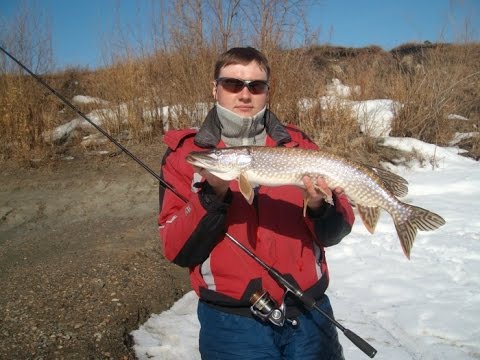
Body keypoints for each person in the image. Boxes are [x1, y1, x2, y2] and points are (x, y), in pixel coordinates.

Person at [158, 47, 355, 359]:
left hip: (309, 313)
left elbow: (334, 232)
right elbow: (178, 250)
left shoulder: (300, 146)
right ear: (215, 88)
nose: (245, 95)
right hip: (231, 324)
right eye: (233, 84)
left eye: (256, 86)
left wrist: (320, 207)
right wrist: (211, 197)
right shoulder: (183, 156)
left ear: (267, 91)